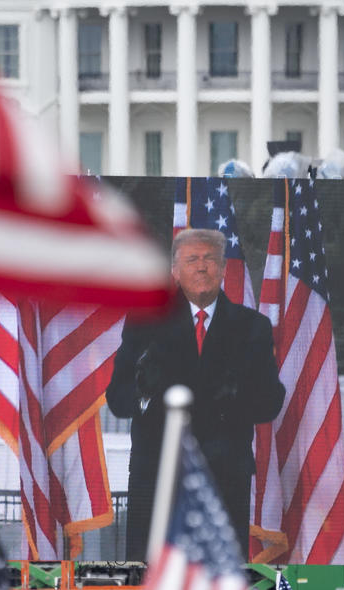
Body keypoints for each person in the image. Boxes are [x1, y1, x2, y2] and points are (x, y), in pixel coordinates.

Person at [107, 228, 285, 561]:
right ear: (175, 271)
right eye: (192, 259)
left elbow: (271, 401)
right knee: (151, 571)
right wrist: (146, 392)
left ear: (223, 269)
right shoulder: (145, 321)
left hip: (224, 480)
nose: (201, 267)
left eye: (209, 259)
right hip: (157, 478)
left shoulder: (252, 327)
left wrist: (238, 397)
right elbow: (117, 399)